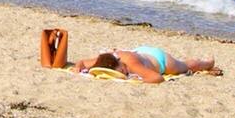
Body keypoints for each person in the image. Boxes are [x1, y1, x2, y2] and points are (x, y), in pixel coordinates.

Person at [70, 46, 221, 84]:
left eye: (121, 70)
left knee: (187, 66)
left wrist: (136, 80)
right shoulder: (105, 60)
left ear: (120, 63)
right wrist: (78, 68)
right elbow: (82, 62)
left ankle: (207, 62)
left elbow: (157, 78)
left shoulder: (131, 64)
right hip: (141, 51)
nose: (123, 72)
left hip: (160, 60)